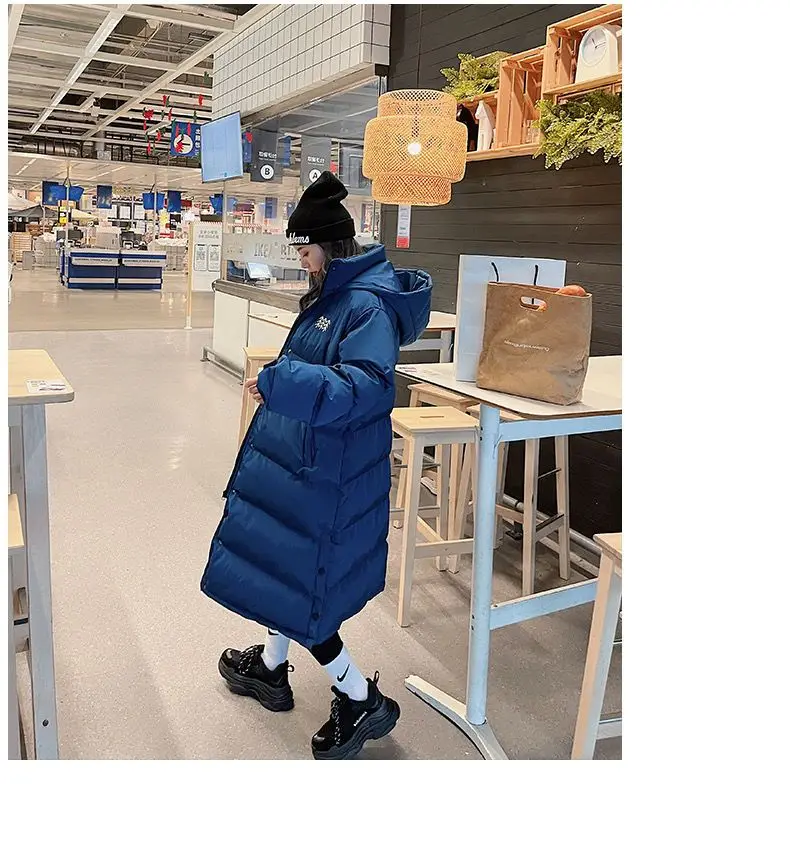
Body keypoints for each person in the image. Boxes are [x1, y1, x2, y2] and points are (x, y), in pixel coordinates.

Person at [201, 172, 432, 760]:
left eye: (305, 251)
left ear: (331, 245)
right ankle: (271, 668)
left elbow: (366, 386)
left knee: (308, 589)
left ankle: (360, 699)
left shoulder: (365, 307)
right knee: (287, 568)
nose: (301, 261)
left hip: (329, 474)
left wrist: (283, 381)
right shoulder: (334, 296)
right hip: (307, 464)